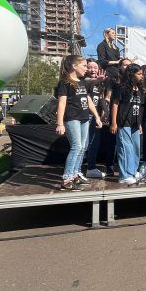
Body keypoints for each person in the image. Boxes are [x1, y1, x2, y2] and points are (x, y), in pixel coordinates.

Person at [56, 55, 102, 191]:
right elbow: (61, 103)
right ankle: (67, 178)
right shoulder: (65, 82)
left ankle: (75, 174)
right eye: (84, 66)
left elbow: (88, 100)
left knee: (82, 147)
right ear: (74, 66)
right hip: (72, 118)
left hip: (84, 118)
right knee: (76, 146)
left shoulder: (82, 82)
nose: (86, 68)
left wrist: (97, 116)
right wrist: (60, 123)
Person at [111, 64, 144, 185]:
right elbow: (115, 105)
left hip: (135, 123)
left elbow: (139, 108)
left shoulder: (139, 90)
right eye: (139, 74)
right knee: (126, 149)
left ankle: (133, 170)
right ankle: (124, 175)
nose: (142, 76)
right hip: (123, 122)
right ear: (131, 74)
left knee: (135, 148)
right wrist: (114, 123)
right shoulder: (122, 87)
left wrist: (139, 123)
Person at [84, 59, 109, 178]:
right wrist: (97, 80)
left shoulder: (100, 83)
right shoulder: (83, 80)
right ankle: (76, 170)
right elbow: (88, 82)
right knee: (83, 144)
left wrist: (105, 111)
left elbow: (101, 98)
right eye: (90, 67)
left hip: (96, 116)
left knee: (94, 142)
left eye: (95, 67)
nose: (92, 70)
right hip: (84, 116)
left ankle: (91, 167)